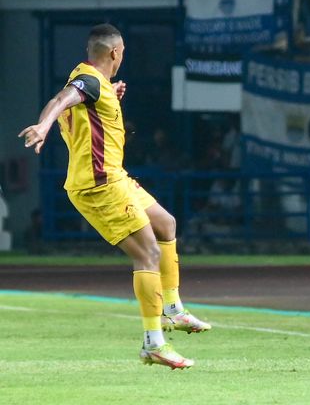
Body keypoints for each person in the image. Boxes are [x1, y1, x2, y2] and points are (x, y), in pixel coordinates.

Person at [19, 24, 211, 370]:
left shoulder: (93, 84)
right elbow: (63, 100)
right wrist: (44, 126)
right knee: (148, 252)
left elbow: (71, 100)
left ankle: (173, 309)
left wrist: (109, 94)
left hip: (115, 178)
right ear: (115, 53)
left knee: (166, 224)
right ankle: (154, 343)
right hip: (99, 185)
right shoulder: (89, 82)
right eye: (122, 53)